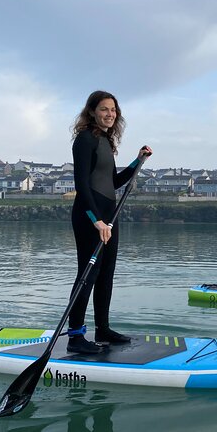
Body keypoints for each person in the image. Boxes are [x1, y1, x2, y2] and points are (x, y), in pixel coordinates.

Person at [67, 90, 152, 354]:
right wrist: (97, 221)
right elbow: (82, 185)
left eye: (113, 110)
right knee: (87, 275)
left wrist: (138, 161)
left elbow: (113, 182)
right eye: (104, 109)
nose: (110, 114)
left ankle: (102, 329)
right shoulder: (84, 140)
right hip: (90, 216)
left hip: (109, 218)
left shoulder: (104, 140)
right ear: (92, 111)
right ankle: (75, 336)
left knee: (106, 275)